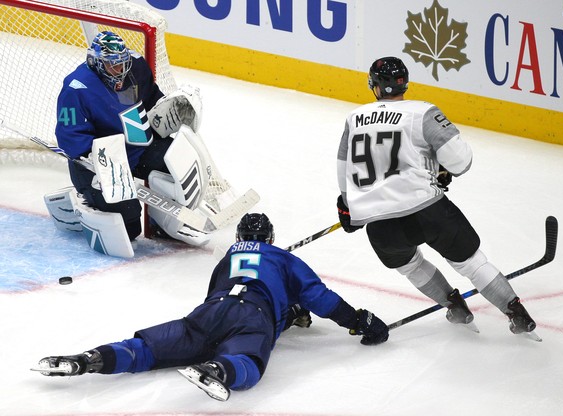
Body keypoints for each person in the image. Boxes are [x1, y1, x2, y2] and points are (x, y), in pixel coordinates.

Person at [33, 213, 389, 401]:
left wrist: (290, 314)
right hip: (252, 315)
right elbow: (319, 297)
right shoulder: (281, 257)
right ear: (272, 239)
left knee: (145, 350)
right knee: (248, 363)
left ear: (238, 240)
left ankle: (87, 360)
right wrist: (357, 320)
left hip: (208, 312)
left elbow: (217, 295)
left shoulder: (228, 258)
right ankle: (217, 370)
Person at [335, 56, 537, 337]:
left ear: (375, 87)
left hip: (380, 223)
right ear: (405, 83)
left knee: (411, 266)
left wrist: (348, 205)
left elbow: (344, 169)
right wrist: (439, 168)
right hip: (426, 211)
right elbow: (460, 162)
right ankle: (516, 313)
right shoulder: (422, 112)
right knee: (470, 262)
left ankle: (455, 306)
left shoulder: (354, 119)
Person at [54, 30, 209, 249]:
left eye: (123, 63)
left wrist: (168, 108)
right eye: (113, 66)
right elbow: (70, 139)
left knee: (177, 164)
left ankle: (161, 223)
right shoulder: (76, 88)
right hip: (96, 163)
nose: (120, 70)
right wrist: (104, 162)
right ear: (96, 63)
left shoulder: (134, 66)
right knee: (129, 228)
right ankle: (82, 201)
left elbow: (152, 98)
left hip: (136, 149)